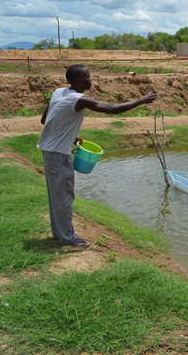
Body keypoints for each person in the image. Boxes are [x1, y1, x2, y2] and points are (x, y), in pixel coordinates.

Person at [37, 64, 157, 248]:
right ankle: (68, 238)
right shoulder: (79, 99)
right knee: (63, 196)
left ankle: (59, 233)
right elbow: (113, 109)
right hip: (58, 154)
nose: (91, 80)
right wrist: (141, 101)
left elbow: (45, 119)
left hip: (50, 150)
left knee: (57, 194)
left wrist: (70, 135)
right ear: (79, 81)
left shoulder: (58, 92)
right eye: (88, 77)